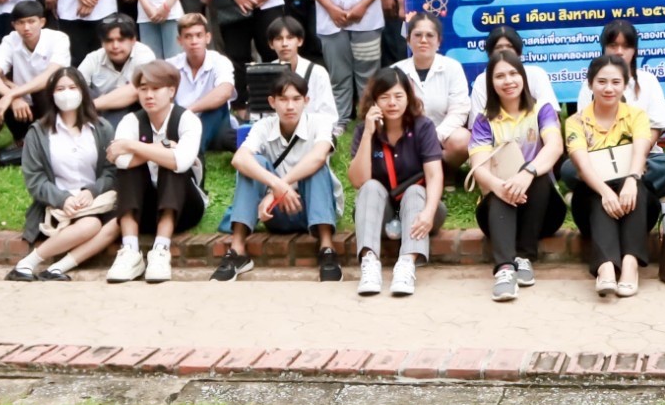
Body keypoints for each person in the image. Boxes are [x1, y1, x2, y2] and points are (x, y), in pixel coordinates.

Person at [213, 70, 344, 282]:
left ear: (306, 101)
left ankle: (327, 249)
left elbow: (319, 156)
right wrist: (276, 187)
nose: (290, 106)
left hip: (315, 208)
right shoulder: (263, 126)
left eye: (296, 99)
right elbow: (239, 159)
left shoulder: (320, 123)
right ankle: (237, 252)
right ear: (272, 102)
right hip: (274, 212)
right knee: (253, 162)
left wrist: (279, 187)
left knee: (315, 166)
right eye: (283, 99)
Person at [7, 66, 121, 282]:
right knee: (91, 225)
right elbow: (34, 178)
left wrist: (92, 191)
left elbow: (111, 169)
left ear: (83, 91)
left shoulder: (102, 128)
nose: (67, 93)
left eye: (72, 87)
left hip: (96, 202)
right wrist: (63, 199)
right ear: (51, 94)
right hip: (55, 205)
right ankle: (26, 264)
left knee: (117, 223)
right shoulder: (38, 132)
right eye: (60, 89)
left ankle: (57, 269)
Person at [470, 52, 568, 301]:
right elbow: (479, 168)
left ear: (523, 77)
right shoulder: (484, 120)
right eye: (500, 76)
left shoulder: (541, 109)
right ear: (491, 83)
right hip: (497, 212)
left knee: (538, 173)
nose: (508, 81)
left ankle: (524, 256)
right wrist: (500, 186)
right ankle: (505, 269)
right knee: (499, 188)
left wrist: (527, 173)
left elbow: (555, 146)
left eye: (513, 73)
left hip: (543, 211)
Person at [104, 59, 209, 283]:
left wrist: (132, 146)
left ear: (171, 91)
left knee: (171, 166)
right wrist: (162, 147)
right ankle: (130, 251)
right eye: (143, 89)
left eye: (156, 88)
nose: (149, 95)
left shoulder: (187, 120)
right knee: (131, 170)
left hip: (185, 208)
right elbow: (121, 162)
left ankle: (161, 250)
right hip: (144, 209)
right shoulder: (131, 121)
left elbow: (181, 162)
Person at [564, 55, 658, 298]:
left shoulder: (637, 116)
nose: (608, 88)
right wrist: (605, 192)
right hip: (592, 200)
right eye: (601, 82)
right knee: (596, 194)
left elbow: (641, 151)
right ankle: (605, 267)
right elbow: (582, 165)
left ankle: (629, 265)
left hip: (633, 200)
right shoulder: (575, 122)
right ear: (590, 84)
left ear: (625, 84)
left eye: (616, 82)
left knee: (637, 188)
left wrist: (632, 180)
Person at [348, 67, 446, 297]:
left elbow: (434, 175)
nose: (392, 103)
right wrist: (368, 134)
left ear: (408, 98)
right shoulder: (364, 131)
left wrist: (429, 212)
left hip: (421, 210)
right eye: (384, 97)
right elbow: (359, 181)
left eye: (398, 96)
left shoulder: (423, 127)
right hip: (380, 214)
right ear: (374, 101)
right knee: (370, 187)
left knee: (415, 190)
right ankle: (370, 263)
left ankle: (406, 264)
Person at [570, 20, 665, 196]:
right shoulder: (589, 84)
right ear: (604, 48)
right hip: (601, 158)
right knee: (570, 168)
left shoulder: (648, 81)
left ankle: (618, 188)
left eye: (626, 46)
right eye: (613, 45)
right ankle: (620, 190)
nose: (619, 51)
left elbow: (655, 129)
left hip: (643, 156)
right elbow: (585, 131)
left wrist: (632, 159)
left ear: (634, 50)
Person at [0, 0, 72, 164]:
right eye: (20, 23)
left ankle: (51, 135)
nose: (26, 27)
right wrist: (13, 97)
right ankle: (22, 138)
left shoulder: (58, 38)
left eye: (31, 21)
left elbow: (50, 75)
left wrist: (12, 94)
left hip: (49, 101)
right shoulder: (10, 40)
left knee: (44, 89)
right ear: (13, 25)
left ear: (42, 22)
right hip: (23, 105)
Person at [393, 10, 474, 156]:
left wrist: (433, 137)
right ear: (408, 40)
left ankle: (442, 168)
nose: (423, 40)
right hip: (405, 139)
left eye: (430, 35)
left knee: (462, 139)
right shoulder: (395, 71)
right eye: (418, 35)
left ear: (438, 42)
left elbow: (459, 110)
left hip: (442, 137)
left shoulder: (452, 67)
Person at [164, 11, 239, 151]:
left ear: (207, 38)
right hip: (181, 123)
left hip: (213, 120)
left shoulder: (220, 61)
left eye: (199, 35)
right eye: (188, 36)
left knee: (218, 106)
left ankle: (194, 150)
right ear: (179, 41)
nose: (194, 41)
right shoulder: (171, 64)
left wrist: (189, 110)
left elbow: (225, 92)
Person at [77, 13, 157, 114]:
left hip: (137, 111)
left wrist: (91, 106)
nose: (115, 46)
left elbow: (136, 90)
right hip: (99, 113)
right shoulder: (93, 58)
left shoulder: (144, 54)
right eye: (109, 40)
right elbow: (74, 85)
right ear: (102, 43)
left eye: (121, 40)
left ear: (133, 40)